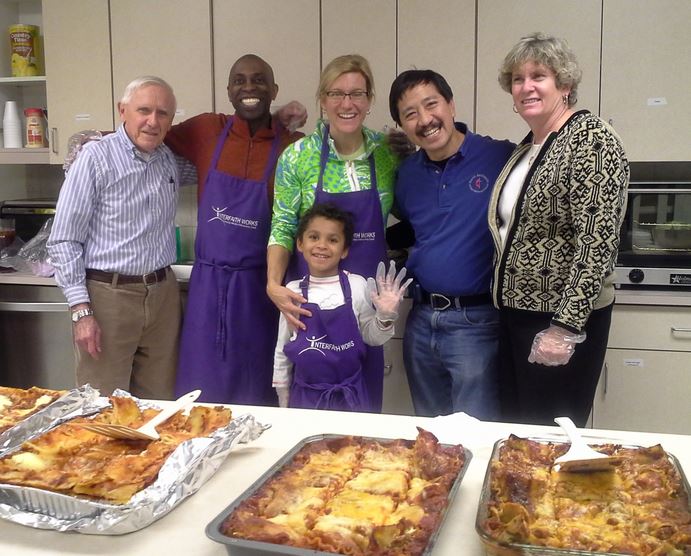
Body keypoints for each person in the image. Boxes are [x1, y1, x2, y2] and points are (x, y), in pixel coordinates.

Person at [488, 33, 629, 426]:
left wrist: (564, 328)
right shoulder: (529, 146)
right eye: (518, 79)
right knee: (518, 434)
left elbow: (596, 245)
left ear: (564, 85)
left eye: (539, 76)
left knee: (550, 441)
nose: (526, 86)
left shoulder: (591, 141)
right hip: (518, 316)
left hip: (560, 324)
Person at [169, 54, 304, 405]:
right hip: (207, 287)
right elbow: (148, 134)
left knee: (257, 392)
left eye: (259, 80)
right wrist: (95, 140)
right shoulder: (205, 130)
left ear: (273, 90)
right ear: (228, 90)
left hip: (261, 289)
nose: (249, 87)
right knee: (199, 393)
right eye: (240, 80)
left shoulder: (293, 146)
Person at [267, 54, 399, 412]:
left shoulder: (388, 153)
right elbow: (282, 225)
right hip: (313, 305)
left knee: (367, 408)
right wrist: (274, 285)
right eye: (336, 93)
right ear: (322, 100)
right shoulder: (297, 157)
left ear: (370, 100)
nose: (347, 104)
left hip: (367, 304)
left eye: (357, 94)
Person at [388, 69, 515, 420]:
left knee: (476, 433)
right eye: (410, 114)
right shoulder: (407, 175)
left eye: (432, 105)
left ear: (452, 105)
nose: (425, 120)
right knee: (430, 438)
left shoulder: (500, 158)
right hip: (420, 319)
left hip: (477, 323)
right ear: (402, 125)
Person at [47, 76, 181, 399]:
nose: (152, 121)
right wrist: (82, 312)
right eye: (143, 110)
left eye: (163, 113)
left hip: (162, 297)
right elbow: (63, 240)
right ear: (123, 111)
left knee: (157, 407)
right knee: (102, 406)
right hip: (109, 298)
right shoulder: (94, 159)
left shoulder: (168, 161)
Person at [273, 203, 410, 411]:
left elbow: (372, 337)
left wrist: (385, 316)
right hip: (305, 398)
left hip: (351, 398)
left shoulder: (357, 285)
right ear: (300, 244)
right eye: (314, 237)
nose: (322, 245)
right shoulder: (291, 291)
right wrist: (283, 397)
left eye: (333, 240)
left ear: (344, 250)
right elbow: (283, 349)